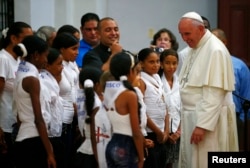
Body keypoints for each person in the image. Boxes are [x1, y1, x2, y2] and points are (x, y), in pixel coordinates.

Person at [178, 11, 238, 168]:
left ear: (201, 29)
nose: (184, 39)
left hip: (207, 121)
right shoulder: (195, 47)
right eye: (181, 34)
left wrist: (202, 125)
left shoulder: (215, 50)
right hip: (192, 115)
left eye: (187, 33)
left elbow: (214, 93)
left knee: (206, 161)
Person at [13, 35, 56, 168]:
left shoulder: (20, 72)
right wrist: (49, 152)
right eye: (45, 55)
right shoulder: (32, 79)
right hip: (34, 140)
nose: (46, 60)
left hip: (22, 137)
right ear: (36, 55)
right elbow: (38, 119)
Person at [0, 21, 33, 168]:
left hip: (17, 122)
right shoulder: (3, 59)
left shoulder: (19, 60)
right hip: (5, 124)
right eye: (26, 39)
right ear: (14, 39)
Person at [211, 28, 250, 150]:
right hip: (210, 116)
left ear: (224, 42)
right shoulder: (205, 63)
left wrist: (241, 121)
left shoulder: (239, 66)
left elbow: (246, 95)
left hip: (234, 116)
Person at [103, 51, 144, 168]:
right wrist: (141, 158)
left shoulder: (109, 89)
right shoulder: (129, 95)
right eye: (136, 71)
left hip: (112, 144)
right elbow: (136, 132)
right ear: (130, 71)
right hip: (126, 146)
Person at [137, 48, 169, 168]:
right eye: (151, 62)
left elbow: (164, 105)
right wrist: (157, 131)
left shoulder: (158, 78)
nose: (156, 65)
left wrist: (165, 130)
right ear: (141, 63)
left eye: (158, 61)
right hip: (150, 132)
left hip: (161, 132)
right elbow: (142, 111)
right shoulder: (140, 81)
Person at [52, 32, 80, 168]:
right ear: (62, 49)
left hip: (70, 120)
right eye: (73, 48)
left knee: (69, 159)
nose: (77, 52)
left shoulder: (70, 65)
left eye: (78, 48)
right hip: (61, 120)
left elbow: (74, 92)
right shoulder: (57, 66)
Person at [39, 48, 65, 168]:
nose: (62, 67)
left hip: (55, 134)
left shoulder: (52, 80)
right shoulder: (44, 82)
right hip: (49, 136)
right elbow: (45, 113)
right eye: (59, 64)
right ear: (47, 66)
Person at [159, 49, 181, 168]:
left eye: (174, 63)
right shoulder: (157, 82)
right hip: (162, 131)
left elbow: (185, 108)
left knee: (173, 163)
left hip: (177, 131)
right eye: (167, 63)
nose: (171, 66)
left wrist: (178, 132)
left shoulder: (181, 82)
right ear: (161, 64)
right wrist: (166, 132)